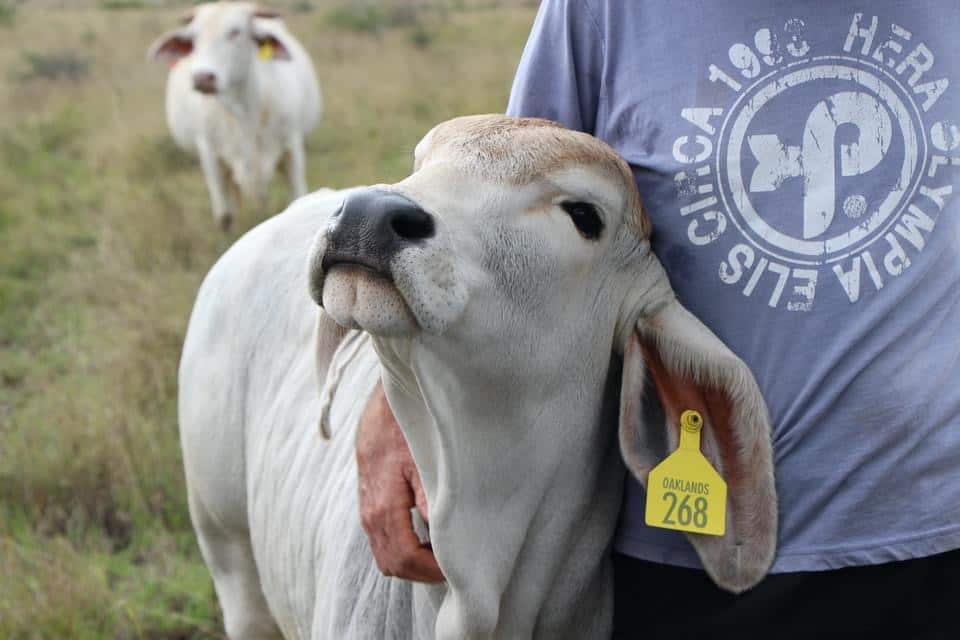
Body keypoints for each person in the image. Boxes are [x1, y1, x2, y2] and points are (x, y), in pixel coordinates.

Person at [356, 1, 960, 636]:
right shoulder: (603, 11)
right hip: (681, 551)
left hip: (937, 537)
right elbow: (490, 215)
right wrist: (388, 418)